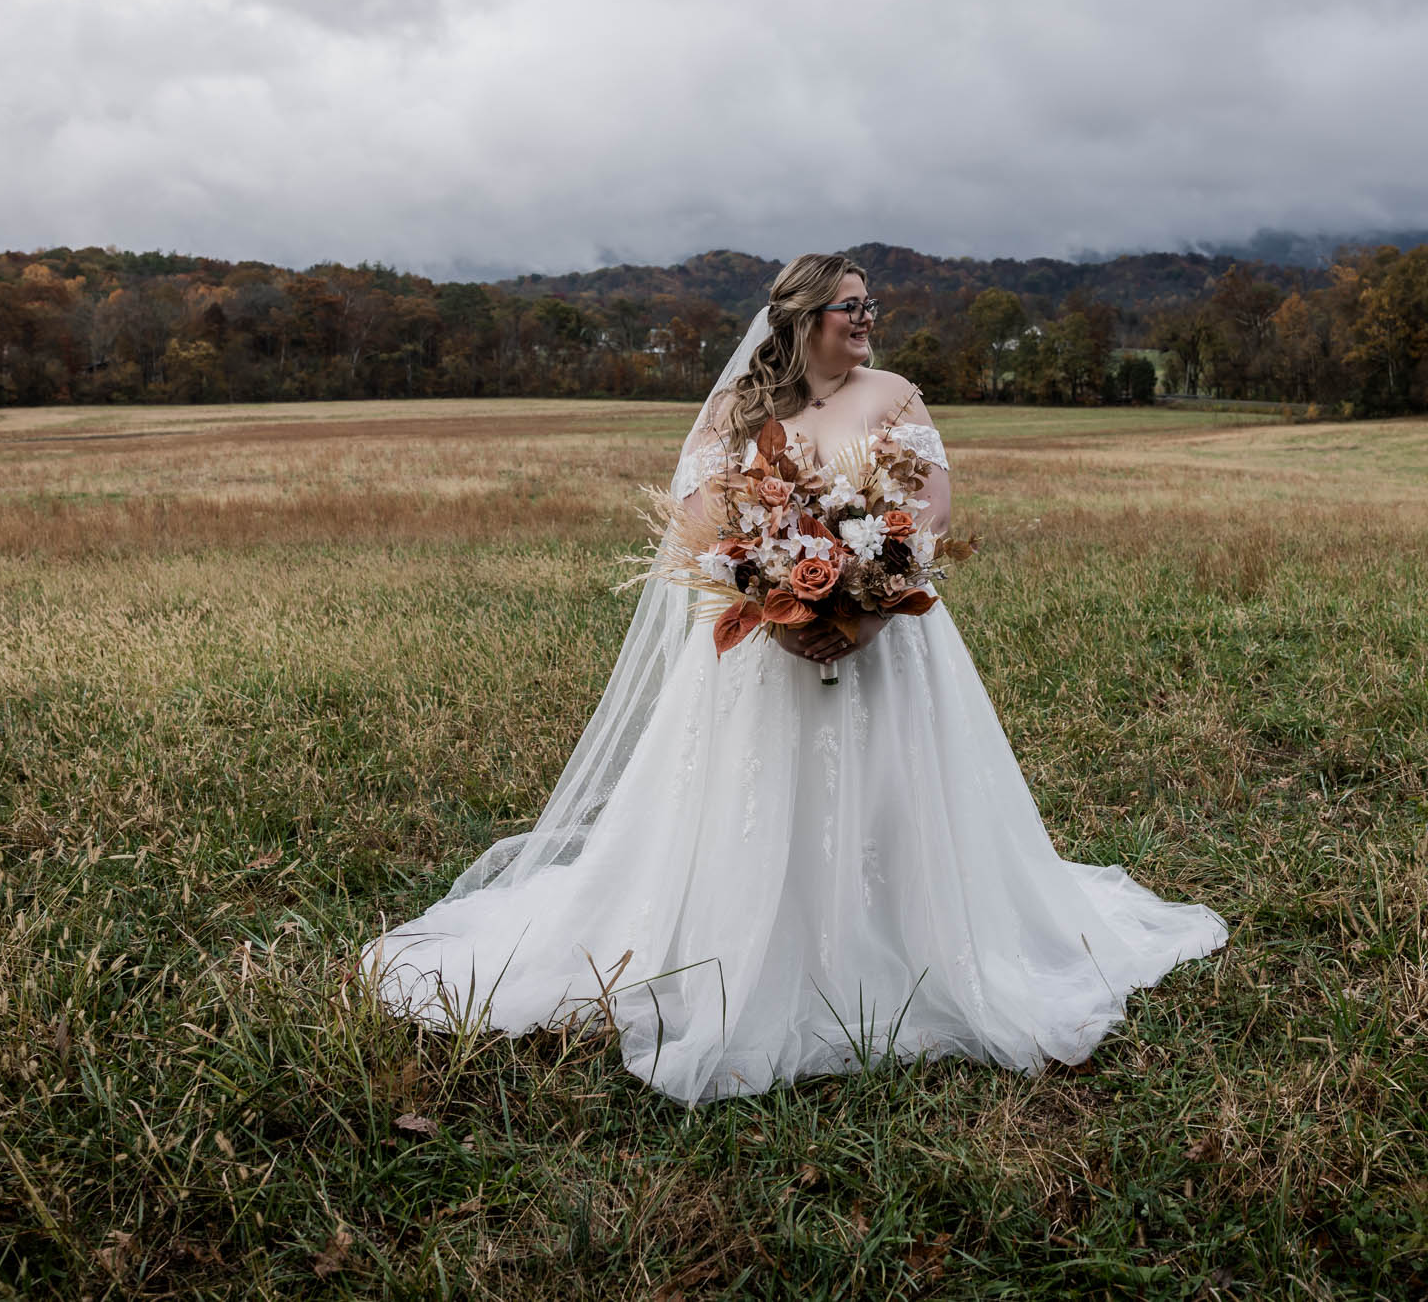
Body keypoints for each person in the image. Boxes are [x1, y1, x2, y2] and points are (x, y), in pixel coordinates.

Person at [363, 253, 1224, 1103]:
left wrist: (871, 604)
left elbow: (931, 511)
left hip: (888, 638)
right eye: (852, 306)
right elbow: (700, 525)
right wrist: (774, 600)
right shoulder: (735, 409)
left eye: (871, 303)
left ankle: (898, 941)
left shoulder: (895, 395)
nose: (868, 318)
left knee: (892, 790)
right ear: (806, 318)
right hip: (760, 650)